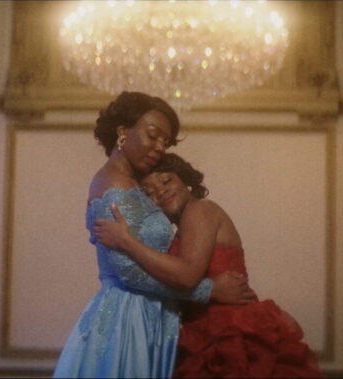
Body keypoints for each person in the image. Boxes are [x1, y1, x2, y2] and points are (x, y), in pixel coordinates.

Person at [53, 92, 256, 378]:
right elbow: (129, 274)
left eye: (165, 142)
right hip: (128, 321)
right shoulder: (111, 185)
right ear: (123, 132)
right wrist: (210, 290)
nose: (160, 147)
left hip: (152, 317)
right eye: (153, 136)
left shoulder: (138, 185)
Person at [93, 153, 323, 378]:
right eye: (149, 192)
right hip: (206, 329)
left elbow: (186, 275)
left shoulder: (200, 210)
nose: (161, 191)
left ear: (186, 182)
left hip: (230, 330)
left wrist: (125, 241)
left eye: (167, 180)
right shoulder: (182, 227)